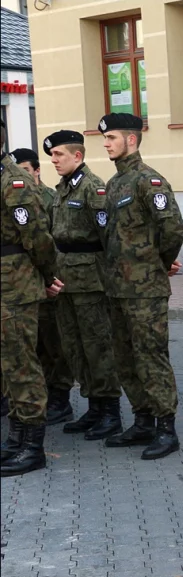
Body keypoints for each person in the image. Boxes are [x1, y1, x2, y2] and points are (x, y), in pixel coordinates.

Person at [95, 113, 183, 459]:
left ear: (131, 140)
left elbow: (173, 227)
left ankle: (166, 428)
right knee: (125, 357)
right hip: (117, 289)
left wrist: (158, 264)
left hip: (146, 290)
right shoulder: (114, 183)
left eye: (112, 138)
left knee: (151, 356)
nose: (106, 143)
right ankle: (143, 420)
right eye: (105, 138)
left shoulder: (149, 181)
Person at [43, 130, 124, 440]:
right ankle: (94, 406)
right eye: (52, 155)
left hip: (91, 281)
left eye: (59, 154)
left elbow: (109, 237)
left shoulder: (93, 188)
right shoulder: (62, 189)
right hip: (66, 280)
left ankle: (110, 412)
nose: (53, 160)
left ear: (77, 156)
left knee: (98, 346)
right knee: (75, 347)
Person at [0, 117, 62, 477]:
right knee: (7, 366)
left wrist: (48, 275)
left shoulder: (15, 182)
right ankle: (16, 438)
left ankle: (32, 447)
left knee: (22, 363)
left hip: (15, 284)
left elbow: (38, 238)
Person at [11, 147, 74, 425]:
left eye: (26, 170)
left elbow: (48, 241)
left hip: (49, 279)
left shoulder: (50, 197)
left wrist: (50, 277)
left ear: (37, 171)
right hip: (24, 281)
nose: (21, 176)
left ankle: (60, 397)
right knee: (32, 345)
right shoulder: (14, 195)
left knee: (53, 343)